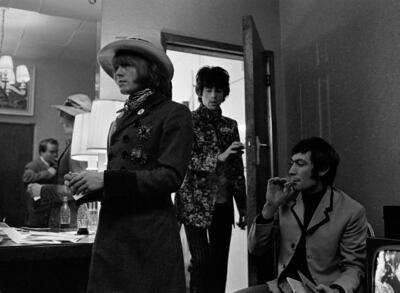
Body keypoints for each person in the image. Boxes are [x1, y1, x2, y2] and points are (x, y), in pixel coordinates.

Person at [65, 38, 193, 293]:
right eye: (116, 68)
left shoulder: (174, 113)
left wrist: (105, 179)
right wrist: (86, 185)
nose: (118, 73)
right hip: (113, 232)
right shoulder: (122, 117)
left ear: (150, 70)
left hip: (148, 235)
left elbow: (170, 177)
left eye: (126, 66)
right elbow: (122, 176)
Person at [235, 137, 367, 293]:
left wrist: (337, 289)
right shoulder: (286, 200)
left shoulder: (351, 211)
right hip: (283, 287)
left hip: (323, 289)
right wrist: (270, 207)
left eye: (300, 164)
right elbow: (256, 249)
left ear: (323, 169)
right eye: (292, 163)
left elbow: (354, 267)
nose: (291, 171)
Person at [175, 66, 247, 293]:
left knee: (219, 264)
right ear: (200, 92)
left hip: (223, 202)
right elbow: (184, 159)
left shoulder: (230, 125)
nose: (213, 95)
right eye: (208, 90)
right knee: (201, 261)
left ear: (225, 93)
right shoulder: (188, 121)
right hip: (194, 202)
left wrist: (243, 206)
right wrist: (219, 157)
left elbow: (236, 169)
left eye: (218, 90)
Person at [26, 94, 91, 228]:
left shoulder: (81, 146)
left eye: (63, 114)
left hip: (72, 223)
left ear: (77, 118)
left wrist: (42, 190)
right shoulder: (77, 143)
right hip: (68, 220)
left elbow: (80, 190)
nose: (60, 120)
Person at [23, 138, 59, 227]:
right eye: (51, 152)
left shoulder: (56, 165)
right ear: (42, 152)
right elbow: (27, 178)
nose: (55, 155)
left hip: (52, 212)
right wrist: (48, 173)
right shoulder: (33, 165)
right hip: (38, 212)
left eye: (56, 151)